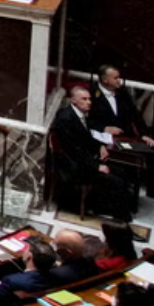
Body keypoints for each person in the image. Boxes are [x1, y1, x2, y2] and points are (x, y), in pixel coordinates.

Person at [92, 64, 154, 202]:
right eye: (116, 78)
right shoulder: (91, 94)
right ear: (105, 80)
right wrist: (104, 128)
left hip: (126, 139)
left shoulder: (121, 92)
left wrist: (144, 134)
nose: (119, 81)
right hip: (105, 141)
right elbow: (86, 121)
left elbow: (135, 115)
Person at [52, 85, 134, 220]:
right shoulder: (65, 118)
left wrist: (99, 146)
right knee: (116, 180)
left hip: (83, 160)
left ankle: (117, 207)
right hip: (74, 166)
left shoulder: (80, 115)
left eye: (89, 99)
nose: (89, 102)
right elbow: (73, 151)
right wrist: (96, 166)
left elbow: (86, 138)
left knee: (122, 172)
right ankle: (120, 217)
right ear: (73, 100)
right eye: (84, 99)